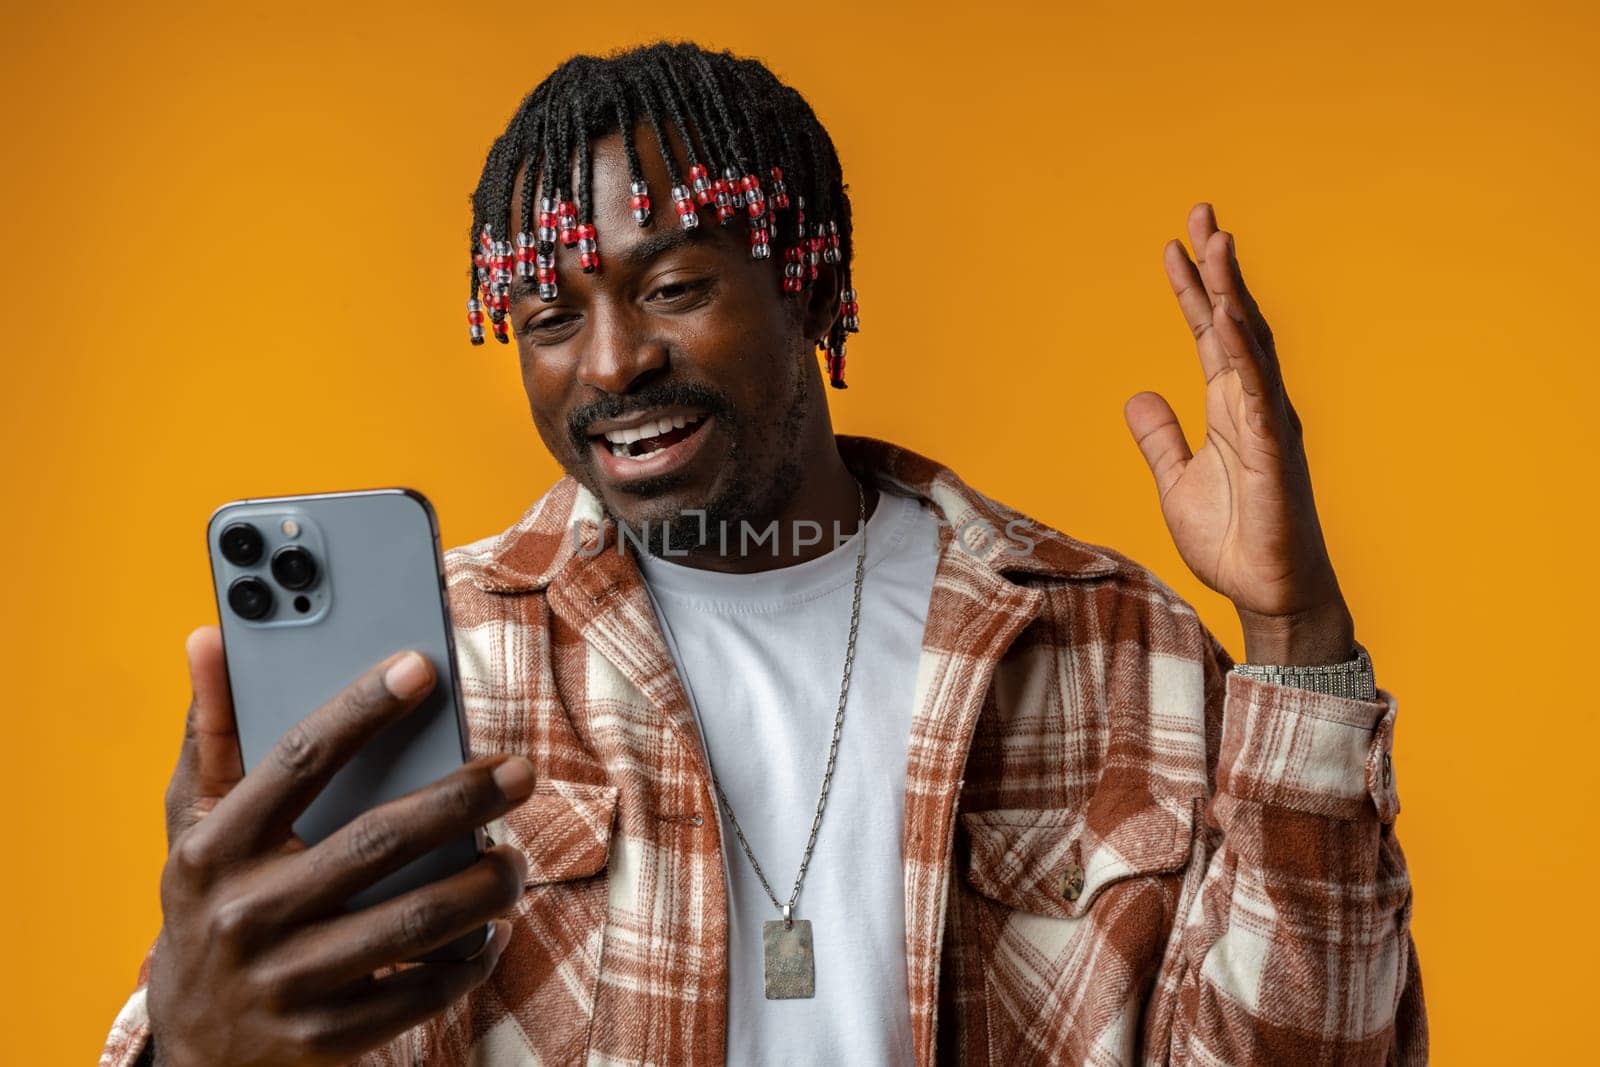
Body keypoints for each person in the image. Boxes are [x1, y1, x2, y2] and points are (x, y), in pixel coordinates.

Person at [101, 41, 1426, 1067]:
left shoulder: (1112, 647)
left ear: (808, 274)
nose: (613, 363)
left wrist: (1298, 635)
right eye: (552, 315)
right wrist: (197, 1044)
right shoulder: (434, 672)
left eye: (676, 286)